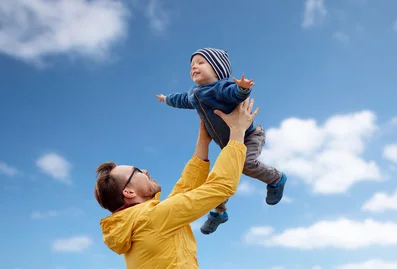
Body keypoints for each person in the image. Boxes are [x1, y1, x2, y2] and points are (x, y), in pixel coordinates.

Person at [94, 98, 259, 268]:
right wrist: (237, 130)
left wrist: (203, 140)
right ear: (129, 192)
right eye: (136, 171)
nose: (144, 171)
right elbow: (221, 187)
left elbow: (184, 191)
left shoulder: (139, 222)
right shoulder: (151, 219)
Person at [155, 47, 287, 235]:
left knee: (246, 165)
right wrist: (167, 99)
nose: (194, 67)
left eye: (200, 63)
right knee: (219, 175)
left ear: (217, 70)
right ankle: (219, 213)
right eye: (192, 65)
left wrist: (242, 88)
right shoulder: (194, 93)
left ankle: (276, 178)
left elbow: (233, 93)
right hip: (230, 143)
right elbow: (181, 99)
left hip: (249, 135)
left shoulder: (221, 87)